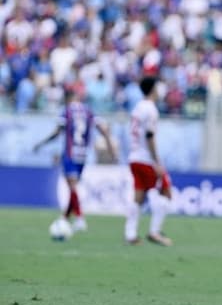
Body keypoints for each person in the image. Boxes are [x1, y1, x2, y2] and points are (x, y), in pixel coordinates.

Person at [33, 87, 117, 232]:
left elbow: (57, 132)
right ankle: (65, 218)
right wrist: (111, 148)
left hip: (70, 153)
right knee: (73, 187)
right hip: (83, 154)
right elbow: (103, 129)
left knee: (72, 187)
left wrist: (41, 143)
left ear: (67, 98)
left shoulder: (67, 111)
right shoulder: (88, 110)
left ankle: (79, 218)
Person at [124, 76, 173, 246]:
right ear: (153, 89)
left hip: (134, 157)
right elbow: (150, 136)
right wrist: (157, 161)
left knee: (138, 195)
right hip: (146, 159)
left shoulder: (138, 107)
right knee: (165, 191)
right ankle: (154, 231)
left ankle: (130, 234)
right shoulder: (151, 109)